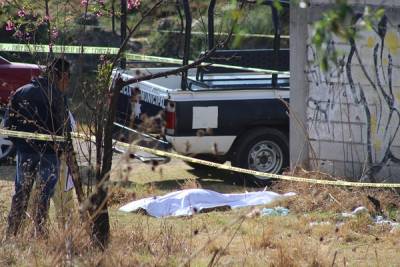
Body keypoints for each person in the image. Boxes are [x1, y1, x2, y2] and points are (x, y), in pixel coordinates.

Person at [5, 57, 72, 238]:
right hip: (50, 155)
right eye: (68, 76)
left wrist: (20, 145)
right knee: (43, 197)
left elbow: (7, 125)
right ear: (62, 75)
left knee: (20, 194)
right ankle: (39, 235)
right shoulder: (57, 97)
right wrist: (62, 150)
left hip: (25, 153)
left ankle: (11, 234)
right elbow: (66, 129)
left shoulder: (20, 92)